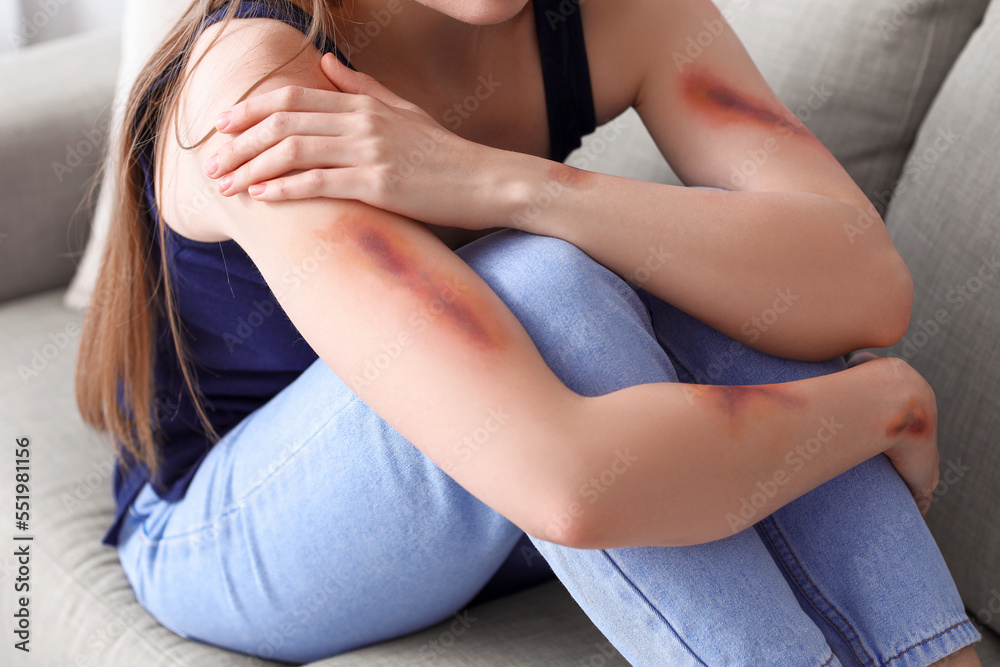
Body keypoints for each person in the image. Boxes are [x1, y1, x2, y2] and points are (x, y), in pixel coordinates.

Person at [75, 0, 983, 664]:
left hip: (514, 473)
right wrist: (879, 403)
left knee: (732, 271)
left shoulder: (617, 13)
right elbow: (570, 487)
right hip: (233, 526)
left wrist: (501, 181)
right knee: (543, 282)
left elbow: (865, 283)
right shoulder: (260, 89)